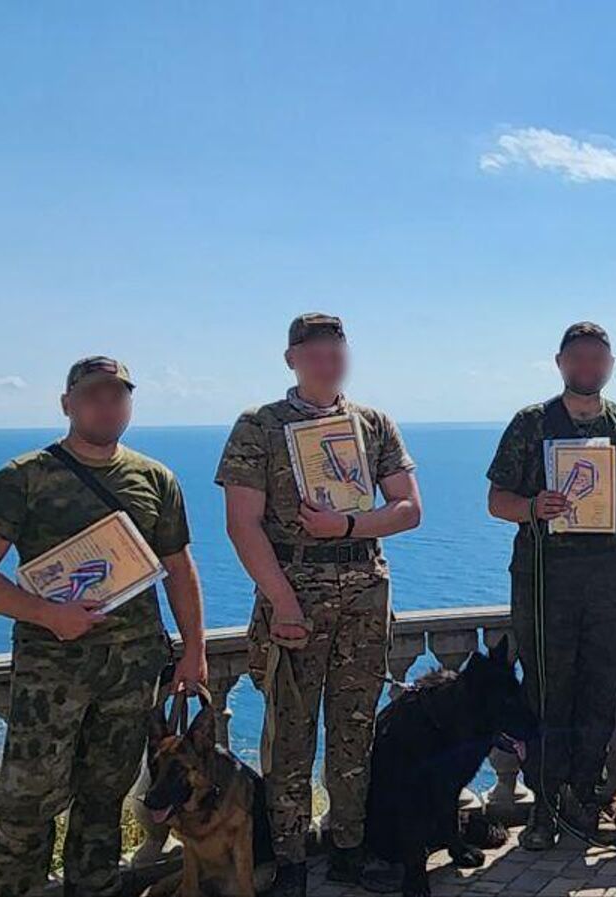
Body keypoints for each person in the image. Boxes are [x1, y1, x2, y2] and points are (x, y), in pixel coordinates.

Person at [0, 356, 207, 897]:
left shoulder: (155, 479)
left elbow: (180, 569)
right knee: (29, 800)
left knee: (105, 795)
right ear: (67, 403)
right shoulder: (21, 478)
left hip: (133, 669)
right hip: (53, 670)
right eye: (93, 394)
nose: (107, 404)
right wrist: (48, 614)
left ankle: (94, 888)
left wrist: (195, 651)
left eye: (118, 394)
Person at [216, 313, 422, 896]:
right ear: (291, 359)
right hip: (294, 596)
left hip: (363, 588)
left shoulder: (373, 423)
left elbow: (409, 508)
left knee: (354, 729)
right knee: (289, 734)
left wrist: (347, 524)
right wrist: (282, 601)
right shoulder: (259, 426)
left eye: (336, 351)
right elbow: (241, 524)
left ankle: (350, 849)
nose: (326, 361)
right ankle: (290, 861)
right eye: (314, 351)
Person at [485, 321, 616, 850]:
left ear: (610, 365)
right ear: (561, 362)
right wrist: (531, 508)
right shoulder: (531, 423)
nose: (588, 367)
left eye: (598, 358)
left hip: (613, 579)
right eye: (578, 357)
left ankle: (586, 800)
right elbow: (497, 500)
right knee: (546, 694)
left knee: (598, 694)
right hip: (546, 582)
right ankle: (544, 808)